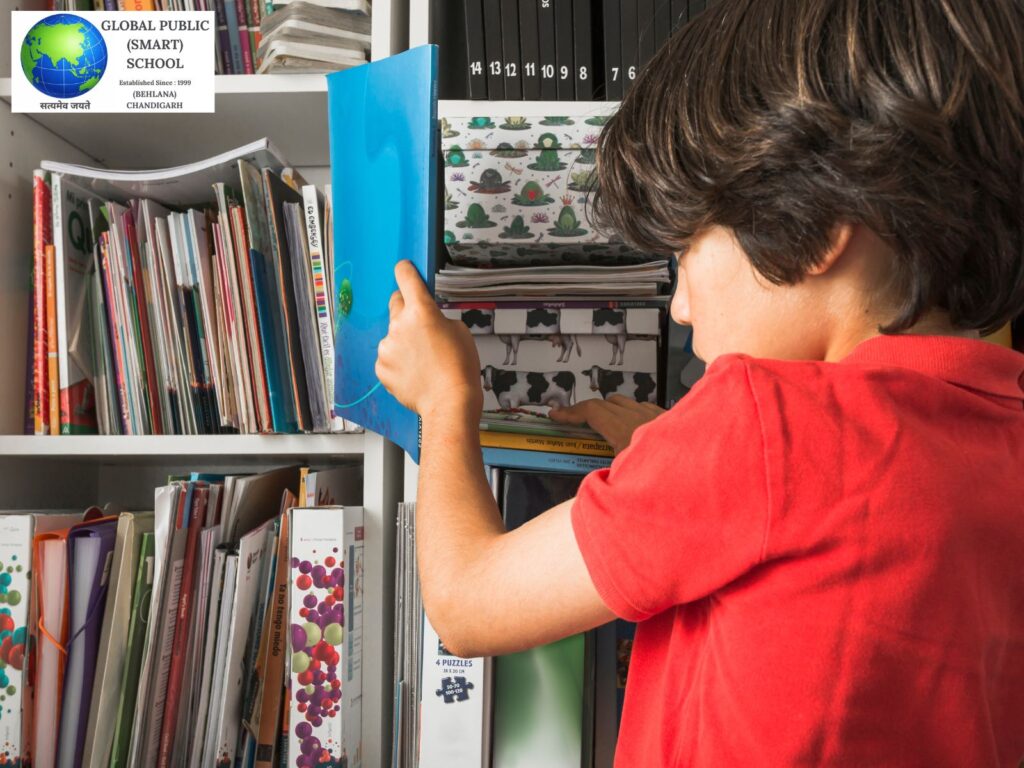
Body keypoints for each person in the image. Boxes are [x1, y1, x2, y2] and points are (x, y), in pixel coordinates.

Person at [375, 0, 1024, 764]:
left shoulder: (760, 423)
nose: (679, 304)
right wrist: (663, 443)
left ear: (811, 230)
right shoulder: (1000, 436)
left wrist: (446, 403)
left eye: (684, 249)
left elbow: (467, 605)